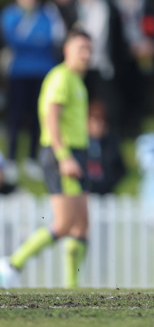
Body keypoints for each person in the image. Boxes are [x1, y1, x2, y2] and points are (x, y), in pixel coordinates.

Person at [0, 27, 92, 289]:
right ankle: (12, 264)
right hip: (61, 153)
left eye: (88, 49)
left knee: (81, 224)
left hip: (77, 153)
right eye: (80, 49)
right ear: (67, 50)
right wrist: (64, 156)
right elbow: (51, 118)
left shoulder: (76, 80)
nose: (85, 55)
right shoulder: (60, 77)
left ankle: (72, 286)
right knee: (65, 223)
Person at [1, 0, 65, 183]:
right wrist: (35, 40)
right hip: (19, 72)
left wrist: (33, 40)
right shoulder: (10, 14)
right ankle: (10, 158)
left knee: (40, 116)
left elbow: (51, 38)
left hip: (43, 72)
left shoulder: (47, 14)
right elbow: (14, 39)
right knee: (15, 116)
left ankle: (31, 157)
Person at [70, 0, 129, 124]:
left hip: (104, 68)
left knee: (109, 111)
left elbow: (118, 40)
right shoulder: (70, 8)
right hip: (78, 70)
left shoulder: (109, 7)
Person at [112, 0, 154, 137]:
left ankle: (137, 128)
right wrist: (126, 47)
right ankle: (122, 129)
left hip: (143, 55)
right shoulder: (112, 4)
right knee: (121, 92)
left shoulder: (146, 2)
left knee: (141, 91)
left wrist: (152, 42)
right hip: (122, 56)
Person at [87, 100, 126, 196]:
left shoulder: (111, 143)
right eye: (95, 120)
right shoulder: (79, 145)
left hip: (106, 193)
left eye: (102, 121)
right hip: (84, 192)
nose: (98, 125)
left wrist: (109, 182)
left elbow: (120, 169)